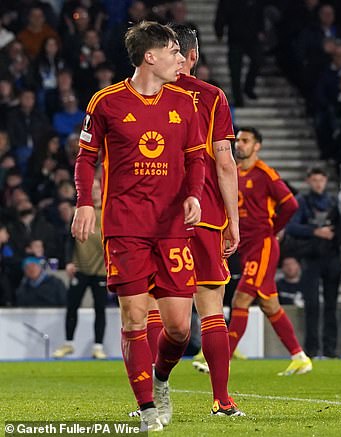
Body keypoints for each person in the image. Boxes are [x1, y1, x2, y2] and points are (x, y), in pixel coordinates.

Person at [71, 21, 205, 431]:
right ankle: (147, 408)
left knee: (180, 328)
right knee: (133, 318)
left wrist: (193, 194)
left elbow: (197, 157)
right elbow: (85, 158)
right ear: (150, 57)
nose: (180, 58)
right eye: (172, 51)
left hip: (170, 227)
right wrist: (83, 203)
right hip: (125, 226)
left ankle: (161, 378)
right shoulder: (106, 101)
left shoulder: (185, 103)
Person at [171, 24, 244, 416]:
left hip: (157, 214)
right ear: (194, 55)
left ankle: (151, 400)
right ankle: (221, 399)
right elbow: (226, 163)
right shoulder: (212, 96)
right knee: (211, 307)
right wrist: (233, 219)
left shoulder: (148, 94)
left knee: (150, 306)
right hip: (207, 215)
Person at [229, 126, 312, 375]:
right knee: (270, 306)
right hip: (245, 246)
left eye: (245, 141)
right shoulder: (232, 173)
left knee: (240, 299)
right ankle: (300, 357)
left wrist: (273, 229)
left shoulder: (264, 173)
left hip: (263, 245)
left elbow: (290, 204)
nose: (239, 145)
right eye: (238, 140)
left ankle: (222, 355)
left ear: (257, 146)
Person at [286, 168, 341, 358]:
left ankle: (330, 350)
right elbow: (292, 226)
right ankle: (311, 350)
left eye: (321, 180)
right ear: (309, 181)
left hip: (332, 256)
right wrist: (315, 231)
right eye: (315, 180)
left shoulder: (334, 202)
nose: (318, 184)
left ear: (326, 181)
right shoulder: (302, 201)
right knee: (312, 305)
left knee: (331, 305)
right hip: (311, 257)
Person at [53, 178, 107, 360]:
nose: (94, 192)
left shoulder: (109, 210)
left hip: (101, 269)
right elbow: (69, 240)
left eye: (97, 188)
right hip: (80, 267)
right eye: (91, 188)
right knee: (72, 306)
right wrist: (68, 261)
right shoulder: (80, 211)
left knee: (100, 308)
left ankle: (98, 347)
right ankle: (68, 343)